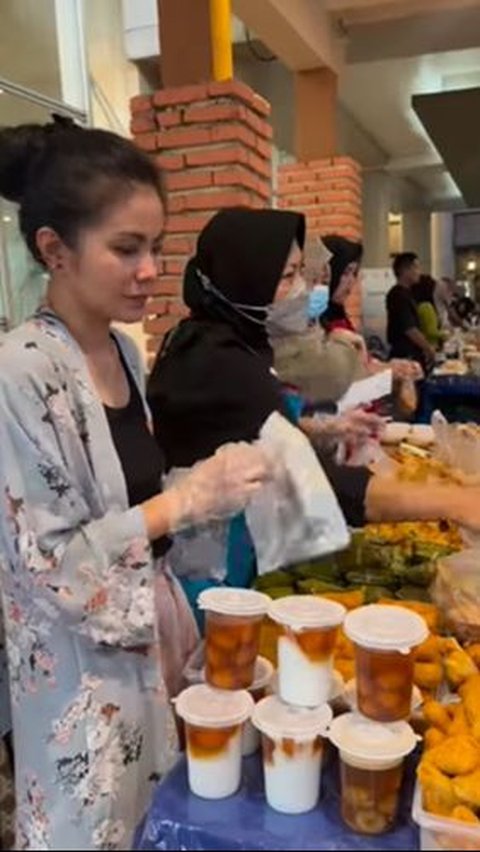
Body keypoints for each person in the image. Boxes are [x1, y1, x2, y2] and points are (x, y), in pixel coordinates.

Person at [0, 121, 270, 851]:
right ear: (54, 249)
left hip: (145, 637)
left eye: (155, 247)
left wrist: (213, 483)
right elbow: (48, 563)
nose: (151, 269)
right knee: (93, 829)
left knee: (160, 814)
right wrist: (185, 501)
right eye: (126, 249)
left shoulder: (121, 350)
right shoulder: (22, 371)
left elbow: (126, 497)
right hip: (76, 677)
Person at [148, 208, 480, 583]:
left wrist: (321, 428)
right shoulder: (220, 361)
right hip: (208, 566)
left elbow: (251, 429)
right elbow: (325, 485)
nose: (302, 290)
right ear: (247, 280)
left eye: (301, 273)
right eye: (288, 276)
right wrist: (457, 502)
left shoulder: (218, 339)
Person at [387, 252, 436, 371]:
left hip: (410, 354)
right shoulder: (398, 295)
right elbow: (410, 329)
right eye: (416, 267)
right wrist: (428, 348)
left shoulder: (407, 293)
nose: (419, 272)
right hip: (405, 356)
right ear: (405, 270)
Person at [320, 235, 363, 334]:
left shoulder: (338, 312)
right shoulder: (310, 322)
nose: (352, 280)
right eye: (346, 272)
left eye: (354, 273)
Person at [412, 275, 444, 348]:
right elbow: (431, 331)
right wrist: (446, 334)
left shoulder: (417, 304)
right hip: (431, 345)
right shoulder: (426, 306)